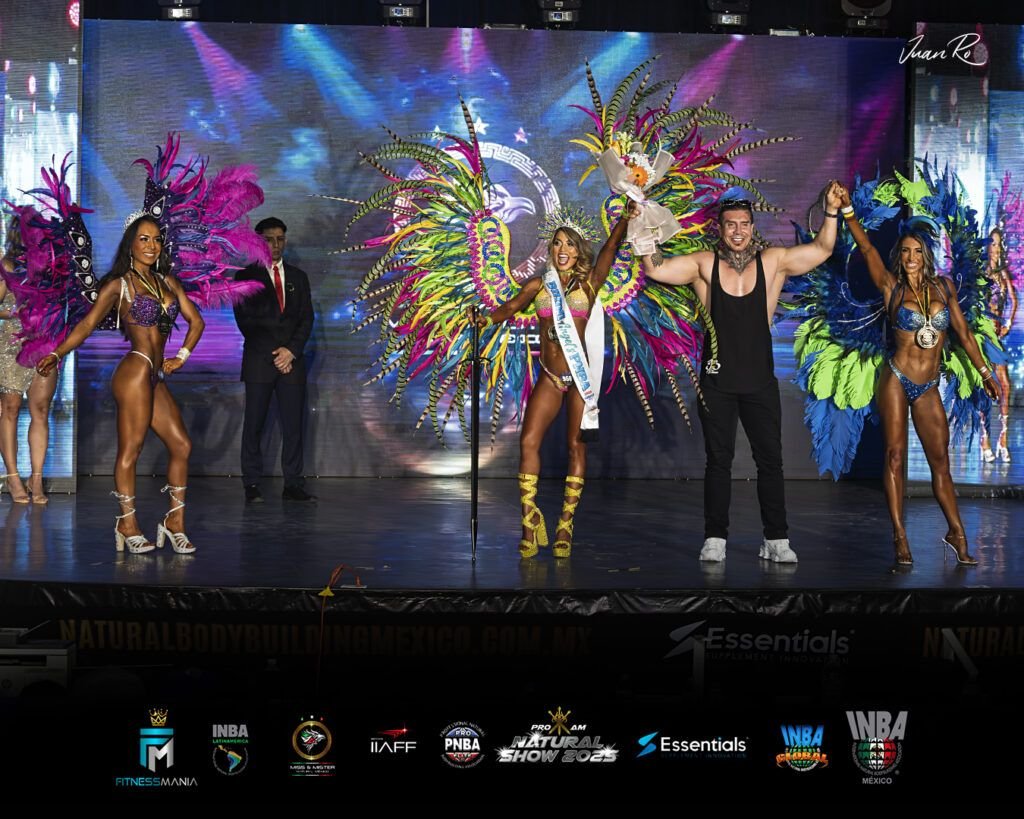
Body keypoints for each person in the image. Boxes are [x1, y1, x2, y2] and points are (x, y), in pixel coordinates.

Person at [641, 183, 845, 563]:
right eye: (730, 224)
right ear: (720, 228)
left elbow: (822, 249)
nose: (738, 231)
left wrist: (832, 210)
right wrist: (642, 223)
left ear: (753, 227)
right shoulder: (704, 265)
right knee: (718, 462)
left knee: (770, 461)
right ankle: (715, 537)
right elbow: (656, 268)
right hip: (716, 379)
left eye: (744, 224)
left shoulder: (773, 262)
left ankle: (776, 539)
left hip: (759, 380)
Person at [840, 191, 1000, 565]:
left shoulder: (943, 288)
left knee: (939, 462)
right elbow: (866, 248)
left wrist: (984, 372)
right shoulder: (892, 288)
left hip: (928, 385)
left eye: (917, 251)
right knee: (895, 456)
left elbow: (963, 333)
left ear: (926, 255)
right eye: (905, 252)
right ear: (899, 256)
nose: (911, 257)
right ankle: (900, 536)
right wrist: (847, 210)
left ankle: (956, 532)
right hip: (897, 378)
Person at [37, 215, 205, 553]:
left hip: (155, 375)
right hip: (135, 370)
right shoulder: (120, 284)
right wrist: (57, 353)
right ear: (130, 244)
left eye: (156, 239)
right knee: (132, 450)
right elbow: (87, 324)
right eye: (143, 239)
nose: (151, 245)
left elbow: (196, 321)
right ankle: (126, 524)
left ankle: (174, 522)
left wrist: (181, 357)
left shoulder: (167, 281)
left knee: (182, 446)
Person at [470, 209, 632, 559]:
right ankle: (529, 523)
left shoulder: (590, 284)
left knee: (576, 448)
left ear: (579, 251)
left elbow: (611, 247)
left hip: (578, 379)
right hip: (550, 376)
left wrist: (626, 217)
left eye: (570, 245)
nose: (563, 250)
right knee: (528, 442)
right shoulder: (540, 285)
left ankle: (565, 525)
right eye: (557, 243)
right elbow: (510, 307)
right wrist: (485, 319)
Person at [233, 217, 315, 503]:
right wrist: (277, 352)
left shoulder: (298, 277)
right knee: (254, 425)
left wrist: (290, 351)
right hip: (260, 362)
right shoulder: (245, 278)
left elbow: (307, 319)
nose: (276, 245)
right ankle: (252, 484)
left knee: (293, 427)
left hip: (291, 363)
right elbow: (246, 322)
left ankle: (293, 484)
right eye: (269, 240)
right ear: (258, 242)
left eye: (280, 239)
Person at [0, 217, 58, 504]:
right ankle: (13, 478)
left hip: (45, 342)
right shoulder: (6, 265)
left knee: (41, 409)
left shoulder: (52, 267)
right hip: (13, 343)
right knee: (10, 407)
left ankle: (36, 479)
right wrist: (17, 312)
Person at [979, 227, 1016, 462]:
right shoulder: (981, 272)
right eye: (993, 243)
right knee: (987, 385)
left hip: (997, 336)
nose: (996, 247)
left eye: (999, 243)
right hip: (984, 335)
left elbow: (1013, 300)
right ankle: (984, 440)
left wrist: (1008, 323)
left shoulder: (1002, 273)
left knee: (1005, 386)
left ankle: (1003, 438)